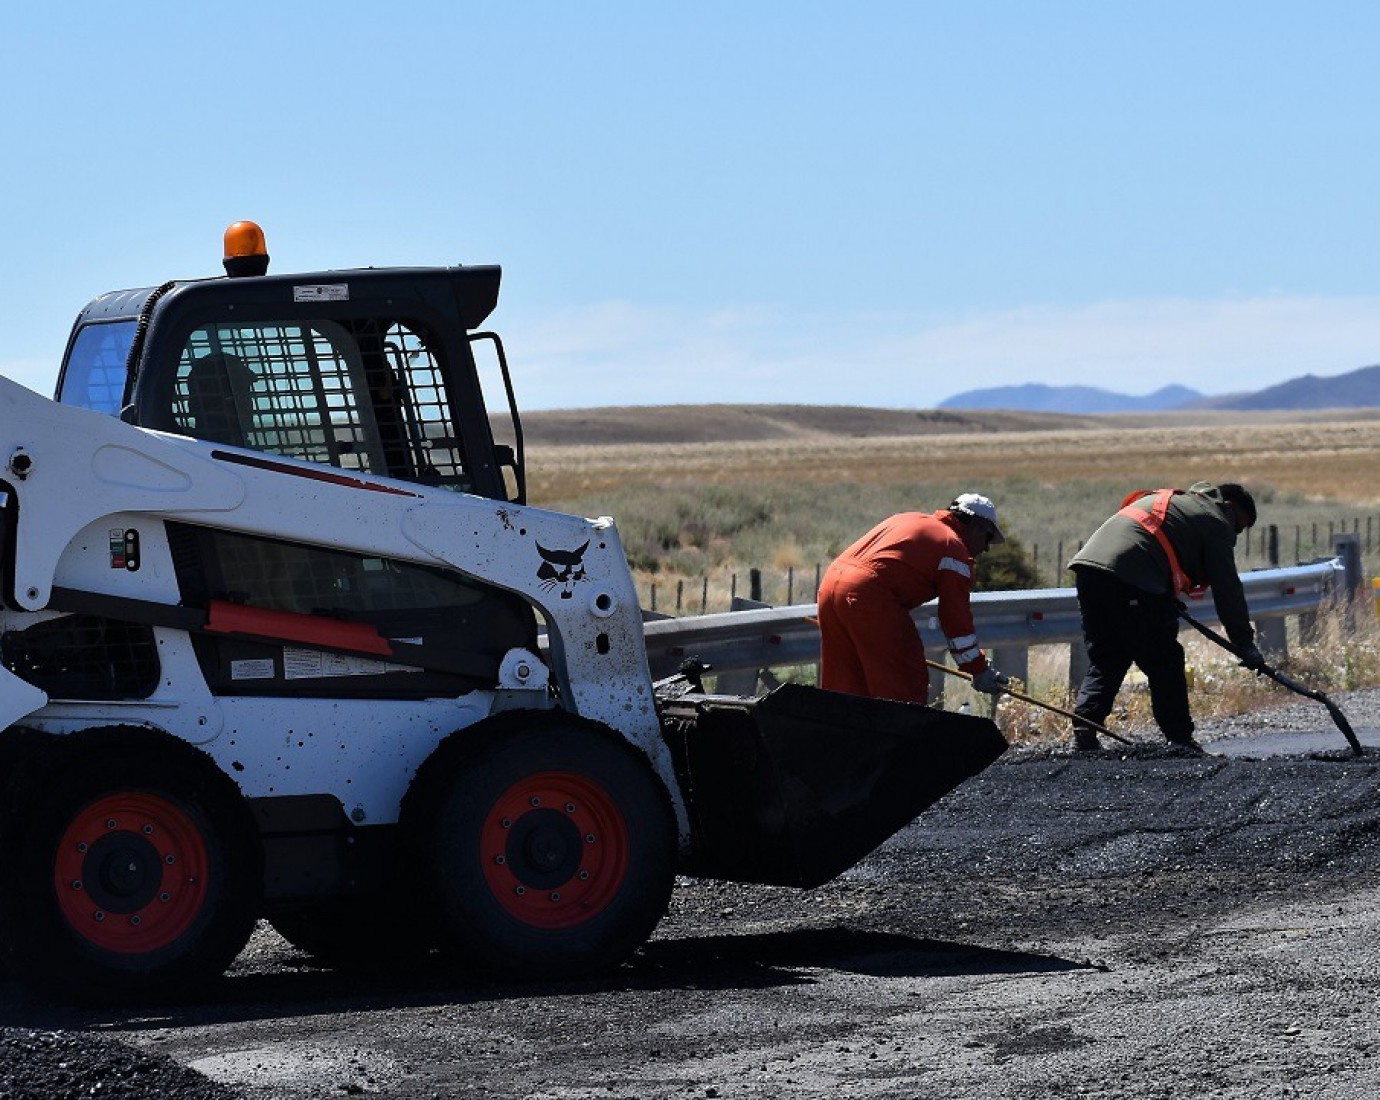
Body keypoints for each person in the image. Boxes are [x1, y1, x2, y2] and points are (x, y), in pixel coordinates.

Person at [1068, 482, 1265, 753]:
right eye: (1238, 527)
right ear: (1229, 507)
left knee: (1109, 654)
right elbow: (1227, 587)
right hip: (1131, 577)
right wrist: (1244, 643)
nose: (1235, 534)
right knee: (1165, 658)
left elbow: (1156, 544)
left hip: (1089, 570)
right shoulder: (1215, 520)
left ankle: (1085, 726)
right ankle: (1180, 739)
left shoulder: (1179, 504)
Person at [817, 492, 1008, 704]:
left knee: (846, 688)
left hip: (831, 586)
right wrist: (978, 669)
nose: (987, 547)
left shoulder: (909, 518)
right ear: (977, 527)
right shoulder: (954, 551)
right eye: (988, 538)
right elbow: (956, 621)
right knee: (905, 685)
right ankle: (902, 738)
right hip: (868, 597)